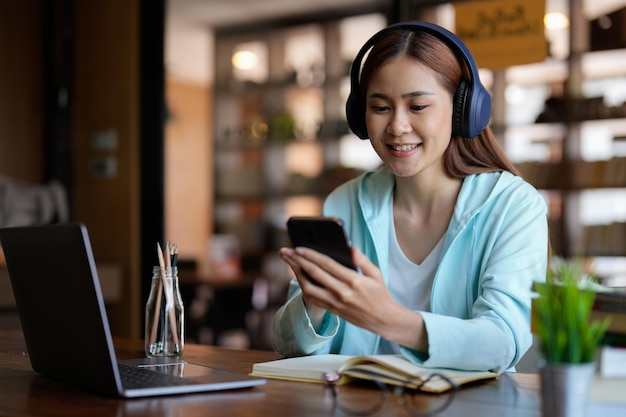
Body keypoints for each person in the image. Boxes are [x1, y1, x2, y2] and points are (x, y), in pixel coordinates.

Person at [272, 21, 548, 373]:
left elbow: (504, 342)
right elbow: (288, 345)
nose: (397, 127)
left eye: (418, 107)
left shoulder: (513, 206)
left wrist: (390, 319)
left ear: (463, 110)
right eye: (380, 107)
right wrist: (314, 305)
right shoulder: (344, 203)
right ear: (360, 116)